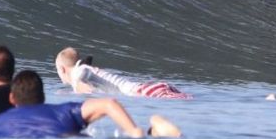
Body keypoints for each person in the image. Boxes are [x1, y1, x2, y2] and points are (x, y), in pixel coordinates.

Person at [0, 69, 182, 139]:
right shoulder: (62, 111)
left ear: (11, 100)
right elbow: (109, 103)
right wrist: (134, 131)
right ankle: (150, 133)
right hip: (68, 138)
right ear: (42, 96)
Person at [55, 47, 192, 99]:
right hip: (152, 88)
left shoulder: (81, 71)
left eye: (57, 70)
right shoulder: (85, 69)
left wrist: (78, 88)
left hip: (145, 91)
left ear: (62, 69)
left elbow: (82, 74)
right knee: (189, 100)